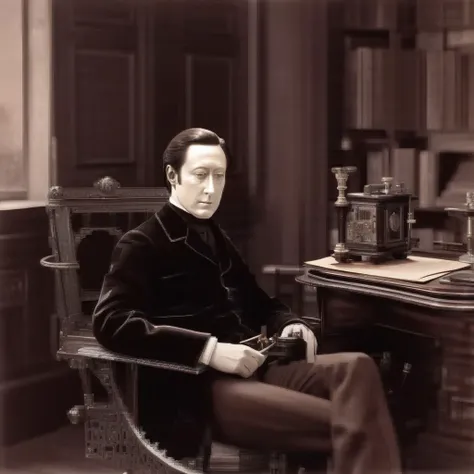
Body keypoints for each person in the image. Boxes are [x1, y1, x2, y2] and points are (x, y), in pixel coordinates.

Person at [93, 128, 402, 474]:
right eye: (200, 175)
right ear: (172, 175)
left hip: (257, 364)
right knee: (349, 421)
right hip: (199, 389)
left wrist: (290, 323)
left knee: (359, 367)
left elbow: (259, 301)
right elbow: (110, 322)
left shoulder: (214, 235)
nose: (211, 189)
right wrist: (208, 350)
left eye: (219, 176)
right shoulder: (142, 244)